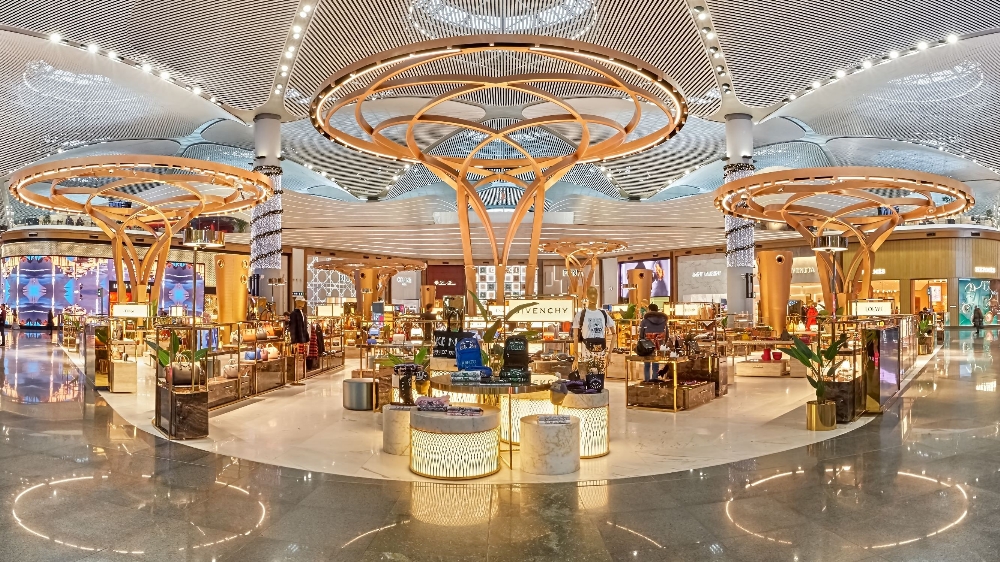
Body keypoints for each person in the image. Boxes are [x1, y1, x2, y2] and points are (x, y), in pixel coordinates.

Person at [639, 304, 668, 381]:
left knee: (647, 364)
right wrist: (663, 343)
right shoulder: (664, 321)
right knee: (656, 363)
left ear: (650, 310)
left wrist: (642, 341)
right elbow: (667, 334)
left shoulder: (645, 321)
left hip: (647, 344)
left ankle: (647, 381)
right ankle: (655, 379)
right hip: (659, 345)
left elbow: (641, 334)